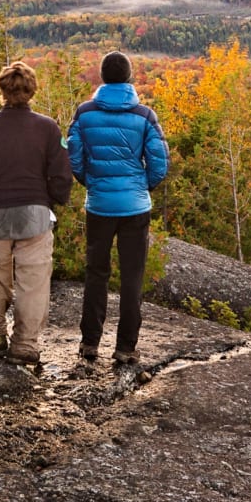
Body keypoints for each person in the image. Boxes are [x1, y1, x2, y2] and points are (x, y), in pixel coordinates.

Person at [0, 60, 71, 368]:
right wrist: (53, 200)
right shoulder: (48, 127)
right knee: (32, 280)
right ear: (32, 90)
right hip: (35, 214)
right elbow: (62, 174)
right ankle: (25, 343)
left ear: (2, 90)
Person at [68, 50, 169, 365]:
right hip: (135, 207)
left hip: (99, 205)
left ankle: (89, 344)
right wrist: (143, 187)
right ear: (128, 78)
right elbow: (159, 162)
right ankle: (125, 348)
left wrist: (92, 182)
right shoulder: (144, 115)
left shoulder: (84, 113)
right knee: (132, 276)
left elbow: (74, 154)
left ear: (102, 77)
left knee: (96, 273)